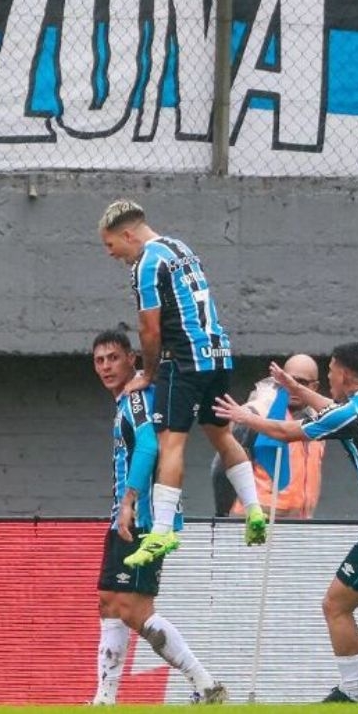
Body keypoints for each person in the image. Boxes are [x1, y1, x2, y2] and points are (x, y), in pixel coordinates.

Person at [213, 342, 358, 704]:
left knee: (335, 605)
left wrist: (244, 417)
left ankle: (353, 694)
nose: (330, 378)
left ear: (345, 375)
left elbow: (288, 432)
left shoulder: (350, 413)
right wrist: (296, 388)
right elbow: (335, 410)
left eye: (331, 371)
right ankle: (356, 690)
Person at [99, 200, 266, 567]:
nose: (113, 255)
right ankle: (254, 510)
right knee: (221, 435)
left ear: (128, 234)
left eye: (111, 246)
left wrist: (150, 372)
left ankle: (160, 532)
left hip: (186, 359)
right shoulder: (180, 248)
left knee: (169, 443)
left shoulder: (146, 263)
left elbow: (150, 327)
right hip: (218, 353)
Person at [89, 330, 227, 705]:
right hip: (125, 516)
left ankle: (204, 682)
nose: (106, 366)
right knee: (108, 600)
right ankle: (104, 697)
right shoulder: (127, 401)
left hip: (142, 517)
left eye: (113, 358)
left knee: (135, 610)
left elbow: (149, 445)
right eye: (99, 360)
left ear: (133, 359)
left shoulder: (135, 399)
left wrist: (130, 500)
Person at [211, 354, 326, 519]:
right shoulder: (256, 414)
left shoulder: (319, 421)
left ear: (314, 386)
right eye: (289, 379)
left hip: (300, 523)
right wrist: (223, 516)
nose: (294, 386)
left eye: (302, 382)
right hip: (256, 520)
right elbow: (222, 467)